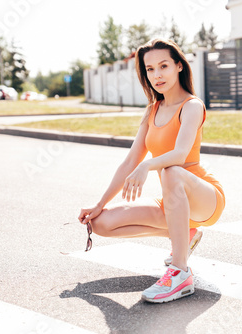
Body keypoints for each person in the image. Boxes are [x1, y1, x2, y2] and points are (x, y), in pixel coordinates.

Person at [78, 38, 225, 303]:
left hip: (204, 198)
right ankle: (185, 234)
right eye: (150, 69)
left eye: (164, 66)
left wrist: (148, 165)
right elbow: (130, 161)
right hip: (173, 203)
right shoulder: (152, 110)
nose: (157, 74)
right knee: (100, 224)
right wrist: (99, 204)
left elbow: (180, 155)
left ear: (179, 66)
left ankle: (180, 273)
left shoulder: (192, 106)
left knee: (170, 171)